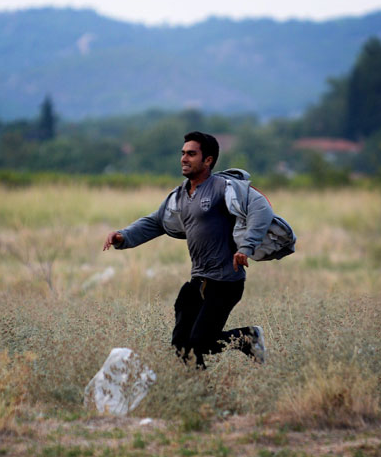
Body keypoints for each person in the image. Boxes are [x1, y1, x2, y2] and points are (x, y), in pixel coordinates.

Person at [102, 131, 273, 368]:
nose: (184, 158)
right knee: (182, 345)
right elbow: (156, 221)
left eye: (191, 154)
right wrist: (124, 235)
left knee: (201, 341)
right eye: (183, 153)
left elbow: (262, 209)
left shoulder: (223, 188)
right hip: (198, 280)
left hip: (225, 281)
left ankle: (248, 338)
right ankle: (200, 390)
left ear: (208, 160)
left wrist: (246, 246)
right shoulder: (180, 195)